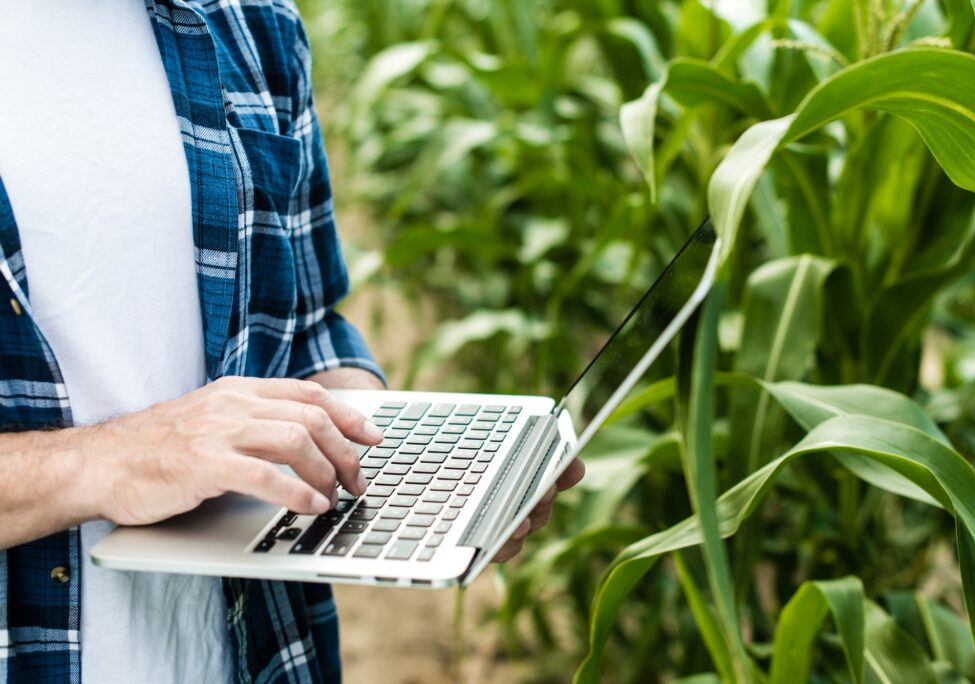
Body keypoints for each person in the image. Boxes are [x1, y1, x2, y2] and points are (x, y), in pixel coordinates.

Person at [0, 1, 585, 682]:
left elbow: (305, 327)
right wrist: (101, 463)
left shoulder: (251, 22)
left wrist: (404, 468)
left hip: (261, 655)